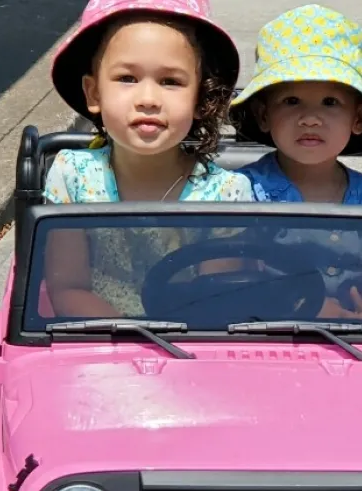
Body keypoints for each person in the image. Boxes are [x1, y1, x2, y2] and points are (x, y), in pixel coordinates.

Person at [42, 0, 254, 317]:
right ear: (94, 93)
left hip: (191, 349)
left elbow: (215, 303)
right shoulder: (72, 175)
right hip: (95, 345)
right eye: (127, 78)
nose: (148, 100)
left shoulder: (226, 195)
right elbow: (68, 288)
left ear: (201, 99)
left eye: (170, 82)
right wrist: (129, 344)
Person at [228, 4, 362, 319]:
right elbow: (235, 273)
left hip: (359, 337)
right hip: (266, 333)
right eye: (291, 101)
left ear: (358, 118)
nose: (310, 119)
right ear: (264, 115)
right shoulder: (243, 192)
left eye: (330, 102)